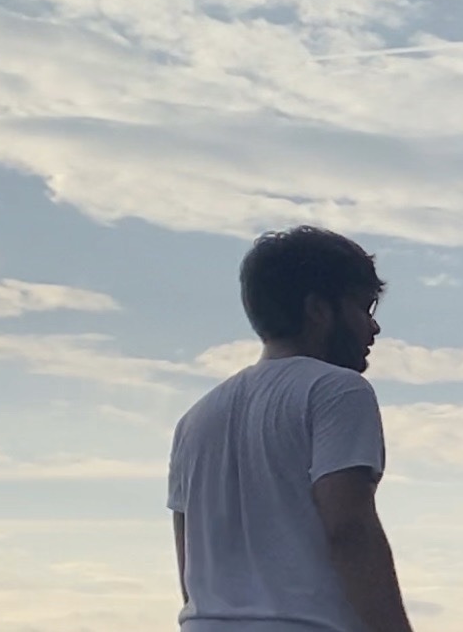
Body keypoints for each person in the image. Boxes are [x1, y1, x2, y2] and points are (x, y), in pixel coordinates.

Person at [167, 225, 414, 632]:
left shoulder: (194, 421)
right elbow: (349, 529)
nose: (373, 328)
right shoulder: (336, 390)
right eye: (363, 308)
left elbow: (189, 565)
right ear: (318, 309)